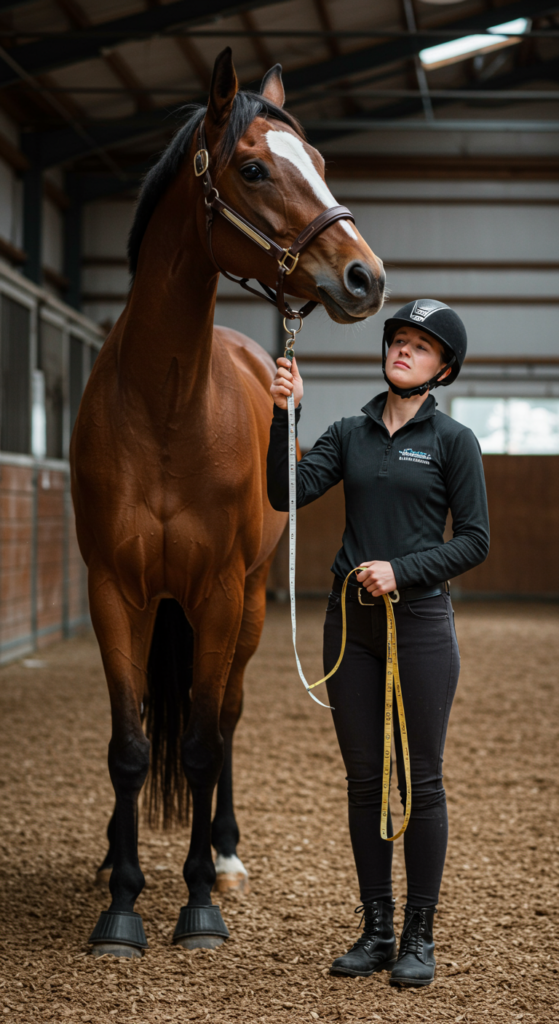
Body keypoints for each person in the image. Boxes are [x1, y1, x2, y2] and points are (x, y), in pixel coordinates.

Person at [266, 298, 489, 988]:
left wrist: (402, 570)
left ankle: (419, 935)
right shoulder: (347, 433)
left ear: (443, 368)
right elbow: (282, 493)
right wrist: (286, 415)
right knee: (364, 781)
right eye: (399, 339)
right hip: (350, 625)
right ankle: (376, 929)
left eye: (421, 346)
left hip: (419, 624)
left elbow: (475, 541)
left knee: (419, 780)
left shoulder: (453, 441)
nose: (404, 350)